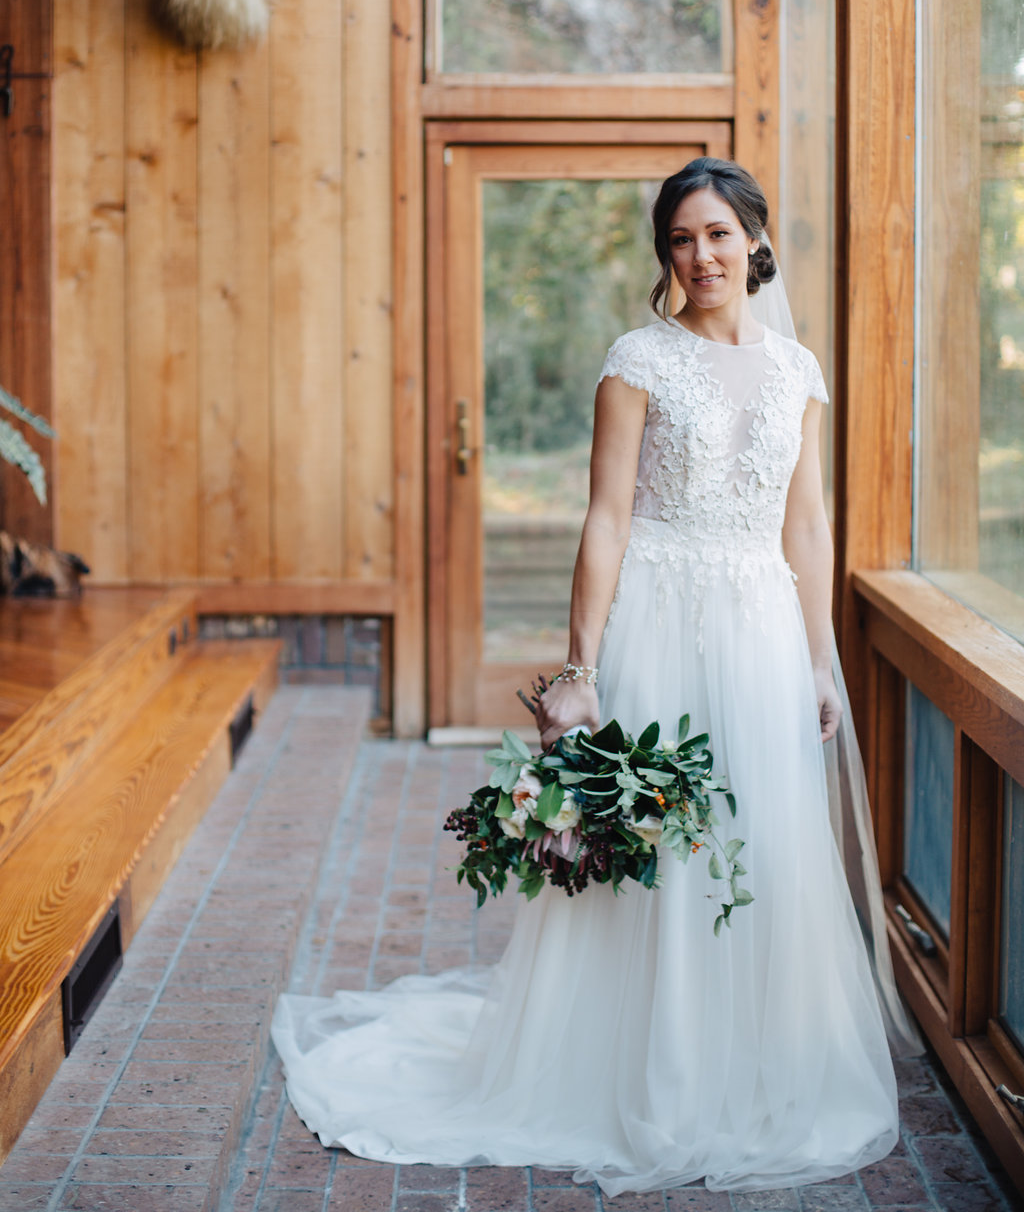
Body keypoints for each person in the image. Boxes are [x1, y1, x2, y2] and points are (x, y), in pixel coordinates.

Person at [272, 157, 918, 1196]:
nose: (699, 257)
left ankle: (750, 1065)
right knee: (654, 851)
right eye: (679, 240)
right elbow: (607, 517)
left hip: (757, 622)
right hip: (658, 618)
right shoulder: (637, 360)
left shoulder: (797, 370)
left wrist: (816, 655)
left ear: (754, 239)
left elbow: (806, 520)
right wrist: (581, 668)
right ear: (664, 255)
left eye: (716, 235)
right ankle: (637, 1072)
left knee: (757, 840)